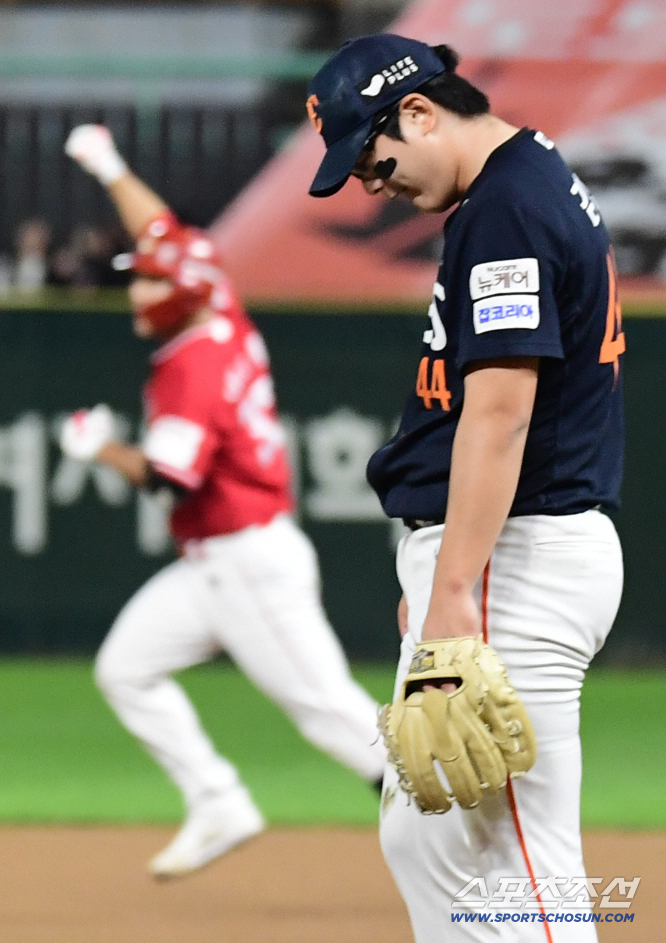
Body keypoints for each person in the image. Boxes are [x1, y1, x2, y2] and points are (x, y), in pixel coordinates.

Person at [307, 34, 624, 942]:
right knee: (434, 841)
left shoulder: (506, 208)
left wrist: (454, 590)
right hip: (506, 554)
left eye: (371, 158)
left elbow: (500, 412)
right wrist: (440, 576)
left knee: (507, 861)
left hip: (517, 555)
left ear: (418, 111)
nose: (371, 184)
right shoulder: (526, 180)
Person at [60, 125, 387, 880]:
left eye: (146, 280)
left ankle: (462, 829)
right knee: (126, 668)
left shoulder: (193, 367)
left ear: (177, 291)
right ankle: (217, 799)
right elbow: (161, 232)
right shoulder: (218, 307)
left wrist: (97, 450)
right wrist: (111, 166)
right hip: (216, 563)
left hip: (248, 562)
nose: (135, 288)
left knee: (334, 716)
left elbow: (170, 475)